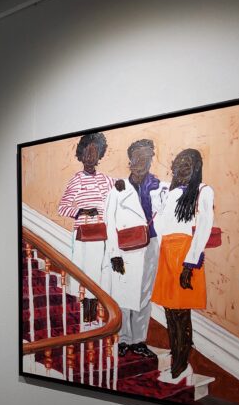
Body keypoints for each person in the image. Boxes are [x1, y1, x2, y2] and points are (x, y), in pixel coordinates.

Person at [101, 139, 169, 358]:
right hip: (125, 249)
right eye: (138, 157)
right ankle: (123, 339)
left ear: (151, 160)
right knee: (122, 293)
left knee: (144, 295)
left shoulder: (159, 187)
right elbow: (109, 222)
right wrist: (114, 254)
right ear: (130, 160)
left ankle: (139, 340)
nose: (142, 161)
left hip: (150, 245)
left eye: (147, 157)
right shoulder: (118, 188)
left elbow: (167, 213)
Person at [151, 148, 214, 384]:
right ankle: (176, 362)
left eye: (188, 164)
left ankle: (182, 366)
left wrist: (189, 264)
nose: (182, 167)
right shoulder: (170, 192)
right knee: (169, 312)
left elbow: (204, 229)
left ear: (196, 168)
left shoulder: (203, 191)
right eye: (179, 163)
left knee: (181, 314)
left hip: (185, 255)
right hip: (167, 254)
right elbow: (160, 225)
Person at [57, 132, 113, 322]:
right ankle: (86, 318)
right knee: (86, 276)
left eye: (94, 152)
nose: (90, 156)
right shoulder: (77, 179)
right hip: (84, 238)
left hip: (103, 236)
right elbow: (63, 207)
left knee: (100, 276)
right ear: (81, 155)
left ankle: (94, 318)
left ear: (100, 155)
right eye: (87, 152)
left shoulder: (107, 180)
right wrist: (82, 211)